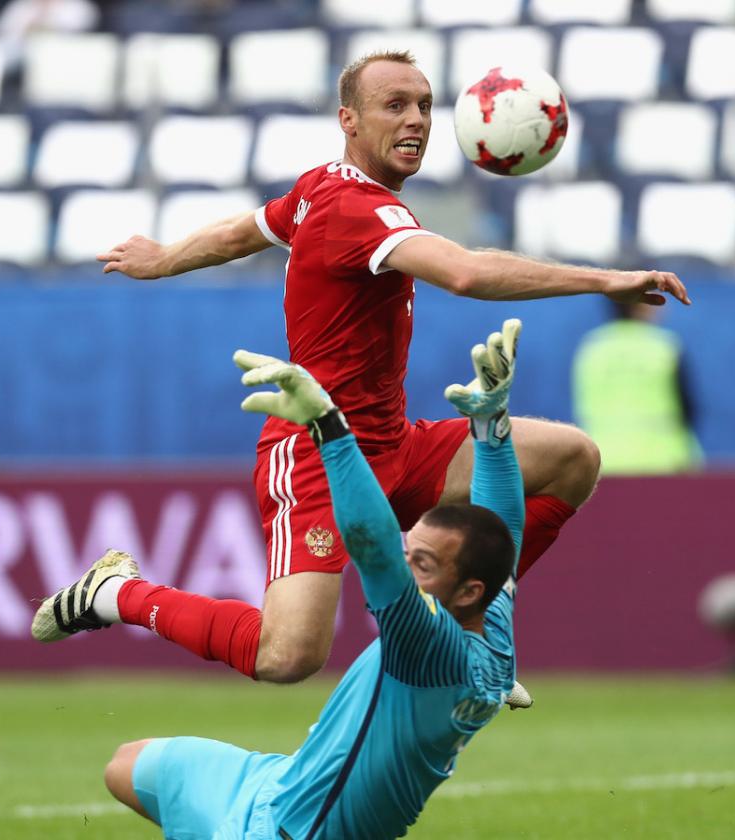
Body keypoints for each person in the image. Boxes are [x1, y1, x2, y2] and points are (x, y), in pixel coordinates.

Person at [94, 50, 690, 686]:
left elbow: (243, 231)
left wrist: (165, 257)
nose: (417, 121)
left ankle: (471, 629)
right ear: (348, 119)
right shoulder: (356, 208)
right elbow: (464, 272)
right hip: (319, 453)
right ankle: (116, 593)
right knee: (287, 656)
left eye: (426, 106)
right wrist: (606, 279)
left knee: (572, 458)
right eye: (395, 106)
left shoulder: (321, 187)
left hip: (393, 447)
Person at [33, 320, 527, 839]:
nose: (406, 567)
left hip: (290, 833)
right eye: (412, 551)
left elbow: (372, 543)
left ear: (467, 590)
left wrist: (330, 430)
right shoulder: (490, 619)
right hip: (276, 782)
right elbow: (505, 528)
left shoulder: (429, 644)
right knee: (126, 766)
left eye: (422, 564)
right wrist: (491, 428)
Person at [573, 300, 702, 475]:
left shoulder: (591, 347)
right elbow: (688, 409)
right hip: (662, 462)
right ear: (641, 305)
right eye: (658, 299)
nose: (664, 307)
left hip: (602, 463)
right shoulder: (665, 346)